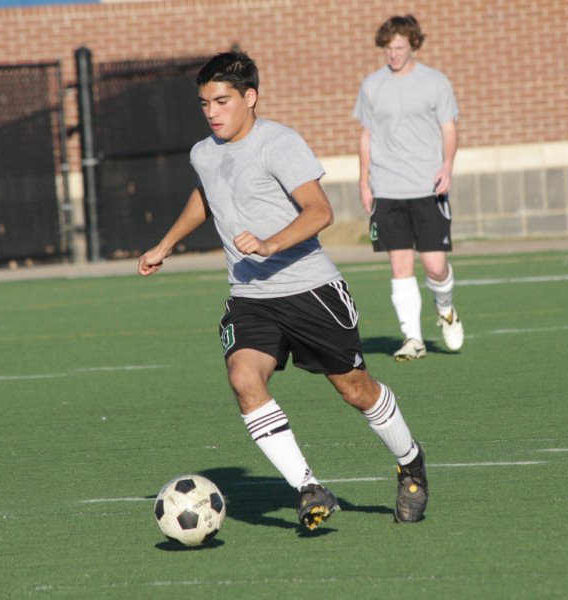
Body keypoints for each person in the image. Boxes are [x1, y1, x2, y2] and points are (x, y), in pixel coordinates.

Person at [138, 51, 428, 529]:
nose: (212, 111)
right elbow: (206, 196)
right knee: (243, 378)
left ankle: (411, 462)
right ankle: (309, 487)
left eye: (223, 100)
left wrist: (271, 243)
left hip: (311, 291)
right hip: (250, 298)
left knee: (356, 392)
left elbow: (319, 211)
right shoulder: (203, 152)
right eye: (205, 102)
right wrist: (166, 243)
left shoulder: (280, 143)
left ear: (250, 97)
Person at [353, 15, 464, 361]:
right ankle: (412, 339)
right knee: (400, 265)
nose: (393, 54)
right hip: (387, 188)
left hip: (427, 187)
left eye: (399, 47)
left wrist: (447, 166)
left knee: (434, 266)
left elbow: (449, 128)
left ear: (413, 45)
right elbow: (366, 135)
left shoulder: (435, 82)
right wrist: (364, 179)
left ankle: (445, 309)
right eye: (388, 48)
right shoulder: (372, 85)